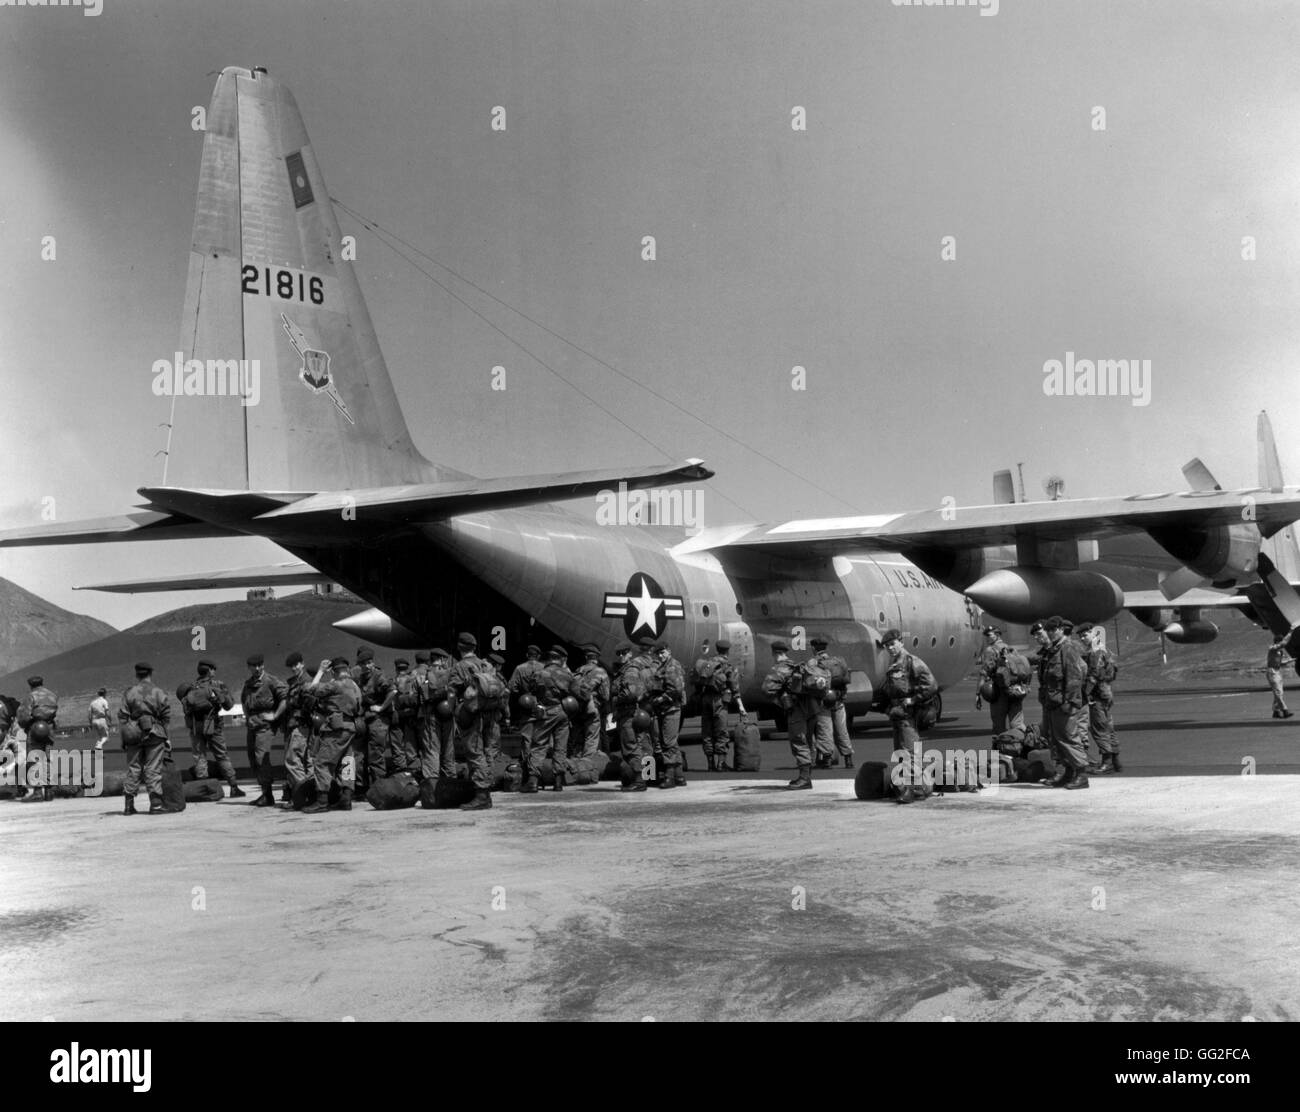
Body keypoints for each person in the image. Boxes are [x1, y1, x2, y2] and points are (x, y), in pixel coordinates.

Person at [879, 629, 939, 803]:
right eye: (887, 646)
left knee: (910, 753)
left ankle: (913, 790)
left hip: (909, 715)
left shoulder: (911, 661)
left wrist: (913, 699)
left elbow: (931, 685)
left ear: (900, 642)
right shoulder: (894, 664)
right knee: (900, 753)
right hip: (897, 714)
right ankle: (904, 787)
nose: (890, 648)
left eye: (892, 644)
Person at [301, 657, 362, 813]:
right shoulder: (355, 686)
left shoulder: (335, 684)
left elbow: (310, 689)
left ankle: (321, 802)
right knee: (347, 761)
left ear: (334, 671)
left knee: (322, 763)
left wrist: (321, 671)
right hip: (350, 727)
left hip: (336, 729)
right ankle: (346, 799)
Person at [119, 662, 180, 815]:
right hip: (155, 733)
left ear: (136, 674)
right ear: (150, 674)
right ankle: (156, 805)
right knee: (153, 768)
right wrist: (167, 738)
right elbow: (166, 716)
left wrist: (125, 737)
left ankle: (128, 806)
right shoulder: (159, 692)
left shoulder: (129, 693)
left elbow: (122, 716)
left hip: (133, 733)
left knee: (134, 768)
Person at [1038, 616, 1090, 789]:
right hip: (1053, 702)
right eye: (1049, 630)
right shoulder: (1054, 649)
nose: (1051, 633)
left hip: (1063, 703)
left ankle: (1081, 774)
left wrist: (1071, 701)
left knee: (1069, 738)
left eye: (1054, 630)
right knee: (1057, 740)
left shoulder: (1067, 648)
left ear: (1061, 629)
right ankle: (1068, 773)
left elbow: (1074, 676)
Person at [178, 660, 242, 796]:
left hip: (196, 727)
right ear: (210, 671)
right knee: (222, 756)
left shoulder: (191, 688)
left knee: (199, 756)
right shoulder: (217, 685)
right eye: (214, 669)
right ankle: (234, 787)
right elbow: (229, 706)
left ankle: (203, 789)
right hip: (214, 726)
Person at [447, 632, 495, 810]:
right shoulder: (485, 664)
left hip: (470, 714)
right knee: (485, 752)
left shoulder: (459, 667)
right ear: (474, 647)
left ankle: (482, 794)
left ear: (460, 647)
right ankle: (485, 792)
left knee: (474, 753)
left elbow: (452, 692)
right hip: (488, 714)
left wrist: (452, 710)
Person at [525, 645, 574, 792]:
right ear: (561, 659)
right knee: (560, 747)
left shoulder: (539, 673)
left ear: (549, 658)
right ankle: (558, 782)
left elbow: (530, 690)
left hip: (545, 712)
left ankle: (533, 782)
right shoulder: (567, 674)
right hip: (563, 712)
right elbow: (582, 693)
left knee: (539, 745)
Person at [241, 654, 288, 807]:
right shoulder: (248, 684)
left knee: (262, 758)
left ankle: (268, 795)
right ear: (249, 667)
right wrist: (248, 717)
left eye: (258, 665)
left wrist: (275, 716)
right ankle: (264, 793)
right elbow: (244, 701)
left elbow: (285, 698)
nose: (256, 668)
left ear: (263, 665)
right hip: (252, 725)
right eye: (253, 666)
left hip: (265, 726)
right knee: (253, 759)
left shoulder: (271, 681)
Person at [761, 641, 809, 789]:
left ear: (775, 653)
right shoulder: (794, 665)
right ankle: (806, 777)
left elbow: (766, 689)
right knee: (806, 741)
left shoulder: (780, 668)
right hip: (808, 709)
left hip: (795, 710)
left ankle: (804, 779)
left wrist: (780, 699)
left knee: (798, 741)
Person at [1077, 624, 1122, 774]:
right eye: (1081, 636)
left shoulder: (1095, 651)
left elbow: (1093, 675)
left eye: (1085, 635)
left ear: (1092, 633)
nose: (1083, 638)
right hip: (1106, 691)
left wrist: (1085, 693)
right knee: (1108, 726)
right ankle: (1115, 761)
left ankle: (1107, 762)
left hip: (1098, 694)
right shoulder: (1103, 648)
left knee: (1099, 728)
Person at [694, 639, 738, 771]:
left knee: (707, 732)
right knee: (721, 731)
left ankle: (710, 763)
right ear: (727, 651)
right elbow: (734, 686)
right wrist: (740, 706)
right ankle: (721, 763)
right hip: (719, 700)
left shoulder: (708, 663)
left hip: (706, 699)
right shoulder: (727, 665)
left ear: (717, 649)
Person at [352, 647, 391, 791]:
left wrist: (381, 707)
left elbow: (392, 691)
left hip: (377, 719)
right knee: (359, 755)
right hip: (363, 719)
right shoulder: (357, 676)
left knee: (376, 754)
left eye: (369, 662)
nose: (367, 666)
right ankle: (361, 788)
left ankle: (379, 787)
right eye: (364, 663)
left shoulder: (379, 675)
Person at [650, 642, 686, 788]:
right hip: (666, 709)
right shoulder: (665, 666)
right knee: (672, 743)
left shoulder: (671, 666)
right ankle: (679, 777)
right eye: (658, 653)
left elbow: (676, 690)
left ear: (669, 651)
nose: (660, 655)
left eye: (662, 652)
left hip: (670, 709)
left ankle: (669, 777)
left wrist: (661, 699)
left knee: (668, 742)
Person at [17, 675, 58, 803]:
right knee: (47, 759)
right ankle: (49, 791)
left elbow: (24, 716)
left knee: (34, 759)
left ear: (30, 685)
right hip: (49, 729)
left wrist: (25, 726)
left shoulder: (31, 696)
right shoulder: (52, 695)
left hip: (35, 729)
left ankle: (37, 792)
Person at [804, 637, 842, 768]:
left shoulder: (813, 662)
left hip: (817, 699)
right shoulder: (834, 661)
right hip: (832, 698)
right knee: (828, 728)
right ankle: (830, 756)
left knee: (816, 730)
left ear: (814, 648)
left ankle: (824, 759)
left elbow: (809, 681)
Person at [282, 652, 315, 801]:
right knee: (307, 761)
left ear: (302, 663)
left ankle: (304, 792)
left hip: (301, 725)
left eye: (296, 665)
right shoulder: (297, 681)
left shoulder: (306, 681)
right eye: (292, 666)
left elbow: (308, 703)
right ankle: (311, 794)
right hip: (298, 724)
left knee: (292, 760)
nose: (294, 668)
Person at [570, 644, 610, 760]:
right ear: (596, 658)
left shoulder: (578, 671)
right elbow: (606, 696)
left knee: (577, 738)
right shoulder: (601, 672)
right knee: (591, 738)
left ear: (586, 657)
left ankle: (575, 764)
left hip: (577, 709)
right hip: (592, 709)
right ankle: (587, 764)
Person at [1266, 638, 1294, 719]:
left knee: (1279, 692)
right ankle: (1285, 710)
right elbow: (1279, 645)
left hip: (1277, 671)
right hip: (1272, 671)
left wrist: (1291, 660)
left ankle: (1276, 711)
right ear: (1277, 642)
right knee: (1278, 692)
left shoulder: (1280, 652)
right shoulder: (1272, 648)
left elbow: (1280, 663)